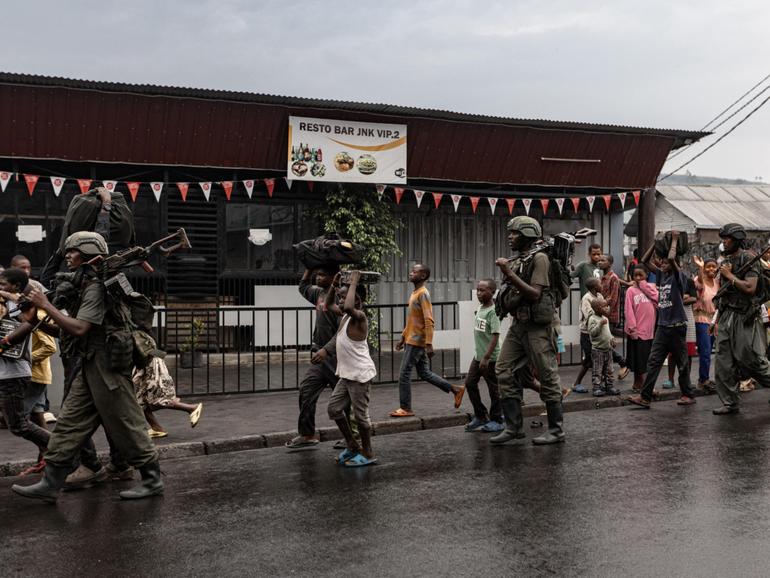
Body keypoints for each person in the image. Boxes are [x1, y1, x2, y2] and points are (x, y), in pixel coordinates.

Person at [12, 232, 163, 503]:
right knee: (69, 421)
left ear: (87, 253)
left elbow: (81, 328)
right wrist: (36, 321)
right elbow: (68, 333)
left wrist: (45, 305)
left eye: (72, 251)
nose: (67, 256)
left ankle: (152, 479)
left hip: (107, 365)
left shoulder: (96, 287)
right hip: (90, 363)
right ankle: (50, 483)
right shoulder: (83, 285)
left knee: (126, 422)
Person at [490, 216, 566, 445]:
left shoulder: (540, 259)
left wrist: (508, 273)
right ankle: (513, 427)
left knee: (547, 375)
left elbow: (534, 294)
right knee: (503, 369)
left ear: (526, 235)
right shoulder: (520, 260)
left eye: (514, 233)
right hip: (519, 325)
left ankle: (556, 430)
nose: (510, 237)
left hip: (539, 327)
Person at [628, 238, 697, 409]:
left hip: (676, 327)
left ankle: (687, 394)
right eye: (662, 263)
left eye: (666, 263)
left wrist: (674, 240)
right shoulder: (662, 277)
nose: (663, 265)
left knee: (682, 362)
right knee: (653, 362)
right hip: (663, 327)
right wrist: (655, 242)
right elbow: (644, 261)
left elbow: (673, 260)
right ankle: (645, 397)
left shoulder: (679, 278)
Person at [390, 263, 465, 417]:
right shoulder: (415, 293)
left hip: (417, 341)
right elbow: (412, 320)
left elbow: (428, 320)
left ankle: (406, 408)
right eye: (411, 271)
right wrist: (403, 338)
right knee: (424, 372)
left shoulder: (423, 293)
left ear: (423, 276)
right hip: (412, 339)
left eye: (414, 271)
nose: (411, 273)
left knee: (404, 374)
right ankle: (455, 389)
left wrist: (429, 343)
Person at [711, 224, 770, 414]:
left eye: (727, 238)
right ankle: (730, 402)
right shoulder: (726, 261)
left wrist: (729, 276)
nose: (724, 242)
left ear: (736, 239)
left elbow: (750, 288)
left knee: (750, 360)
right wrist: (716, 320)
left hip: (745, 316)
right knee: (723, 362)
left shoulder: (749, 258)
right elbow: (724, 294)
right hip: (727, 314)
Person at [320, 271, 377, 467]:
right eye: (341, 297)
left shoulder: (359, 317)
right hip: (346, 375)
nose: (341, 300)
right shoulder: (344, 317)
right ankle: (352, 445)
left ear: (358, 300)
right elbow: (327, 306)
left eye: (344, 297)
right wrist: (333, 285)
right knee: (334, 409)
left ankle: (368, 452)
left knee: (361, 417)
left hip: (360, 375)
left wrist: (353, 282)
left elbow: (351, 306)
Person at [286, 266, 342, 450]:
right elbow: (302, 286)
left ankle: (353, 437)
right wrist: (309, 268)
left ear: (334, 276)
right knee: (306, 391)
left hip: (337, 358)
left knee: (344, 399)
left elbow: (342, 333)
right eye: (317, 275)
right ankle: (307, 434)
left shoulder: (341, 298)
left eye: (323, 274)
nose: (318, 278)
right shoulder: (318, 293)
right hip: (320, 357)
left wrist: (326, 350)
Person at [0, 268, 51, 460]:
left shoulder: (20, 305)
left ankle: (67, 450)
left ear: (15, 286)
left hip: (12, 374)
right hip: (6, 374)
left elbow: (26, 324)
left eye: (3, 284)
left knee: (19, 425)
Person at [19, 306, 58, 474]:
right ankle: (47, 459)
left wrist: (25, 358)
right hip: (34, 375)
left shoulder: (37, 316)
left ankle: (59, 451)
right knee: (37, 415)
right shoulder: (23, 314)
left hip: (33, 376)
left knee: (17, 419)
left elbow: (50, 347)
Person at [463, 279, 503, 433]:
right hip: (478, 356)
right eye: (478, 290)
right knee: (470, 383)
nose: (479, 293)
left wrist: (486, 357)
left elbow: (495, 335)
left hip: (490, 358)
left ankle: (497, 419)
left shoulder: (493, 311)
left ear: (492, 292)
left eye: (483, 290)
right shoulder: (480, 308)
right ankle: (481, 415)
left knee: (494, 389)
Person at [133, 355, 203, 438]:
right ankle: (156, 428)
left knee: (157, 398)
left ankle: (191, 408)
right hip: (142, 364)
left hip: (149, 363)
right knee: (140, 399)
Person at [624, 266, 658, 393]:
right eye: (635, 275)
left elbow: (657, 299)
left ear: (647, 275)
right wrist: (633, 329)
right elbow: (629, 310)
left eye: (641, 275)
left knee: (645, 359)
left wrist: (644, 286)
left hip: (649, 331)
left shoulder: (651, 288)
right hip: (637, 331)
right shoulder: (630, 291)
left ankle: (638, 385)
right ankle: (643, 386)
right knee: (639, 361)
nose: (638, 278)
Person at [597, 254, 629, 380]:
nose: (600, 262)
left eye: (602, 260)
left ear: (610, 263)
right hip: (602, 314)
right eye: (599, 260)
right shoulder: (602, 278)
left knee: (606, 345)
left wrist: (602, 306)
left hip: (609, 315)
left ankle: (621, 363)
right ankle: (609, 370)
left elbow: (613, 298)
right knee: (604, 344)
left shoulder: (613, 278)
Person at [692, 256, 719, 391]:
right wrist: (700, 268)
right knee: (706, 351)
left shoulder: (717, 282)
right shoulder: (698, 279)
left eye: (713, 266)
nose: (711, 269)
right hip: (701, 319)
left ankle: (705, 378)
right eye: (708, 266)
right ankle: (703, 380)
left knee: (710, 352)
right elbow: (700, 284)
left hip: (714, 321)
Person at [572, 277, 603, 393]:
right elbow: (589, 315)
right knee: (590, 358)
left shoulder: (599, 296)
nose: (602, 285)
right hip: (587, 333)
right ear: (595, 287)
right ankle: (576, 383)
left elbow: (603, 309)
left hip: (598, 331)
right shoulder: (586, 298)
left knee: (601, 357)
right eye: (600, 283)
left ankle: (601, 383)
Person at [586, 296, 620, 397]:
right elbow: (593, 333)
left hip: (608, 349)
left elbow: (607, 333)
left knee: (609, 369)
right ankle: (597, 387)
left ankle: (609, 386)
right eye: (604, 307)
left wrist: (612, 339)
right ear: (597, 308)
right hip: (598, 350)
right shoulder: (592, 319)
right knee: (598, 370)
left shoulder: (605, 318)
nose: (607, 308)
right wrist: (599, 324)